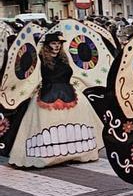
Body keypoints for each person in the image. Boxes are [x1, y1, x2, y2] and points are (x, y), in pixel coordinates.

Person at [6, 30, 106, 168]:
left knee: (74, 126)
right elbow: (31, 76)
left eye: (59, 43)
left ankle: (75, 153)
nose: (57, 46)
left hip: (70, 93)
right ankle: (48, 157)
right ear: (47, 45)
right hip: (47, 95)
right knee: (47, 127)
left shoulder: (64, 58)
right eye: (54, 43)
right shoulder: (40, 59)